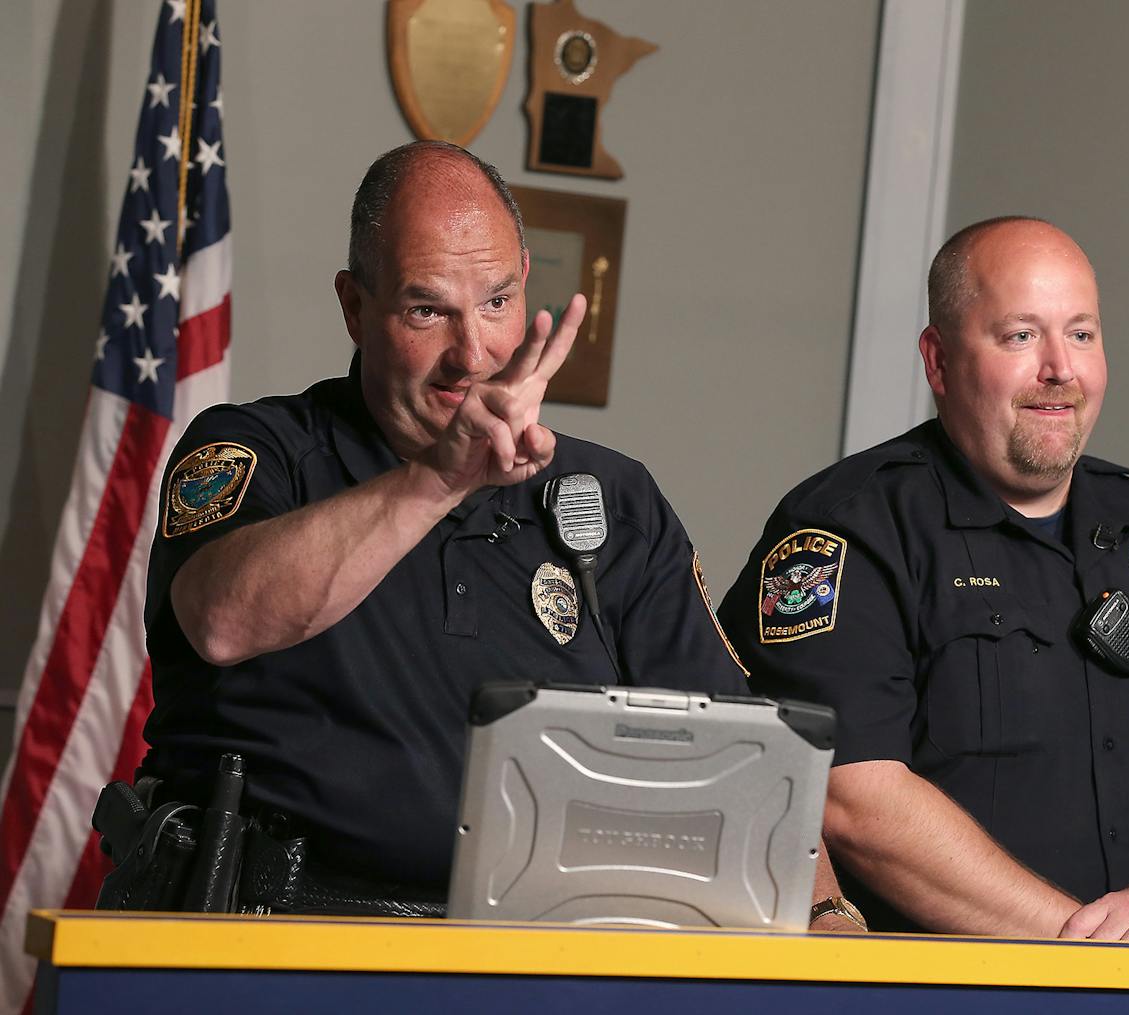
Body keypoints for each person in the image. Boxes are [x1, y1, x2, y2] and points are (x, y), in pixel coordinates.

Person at [138, 141, 856, 927]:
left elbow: (746, 759)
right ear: (354, 306)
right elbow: (221, 619)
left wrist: (827, 919)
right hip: (281, 939)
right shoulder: (261, 449)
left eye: (497, 302)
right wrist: (437, 480)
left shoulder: (612, 499)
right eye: (426, 309)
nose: (471, 356)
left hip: (545, 955)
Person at [718, 217, 1129, 942]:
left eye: (1083, 334)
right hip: (960, 994)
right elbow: (855, 798)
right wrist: (1099, 948)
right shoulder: (847, 529)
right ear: (939, 362)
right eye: (1020, 336)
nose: (1061, 368)